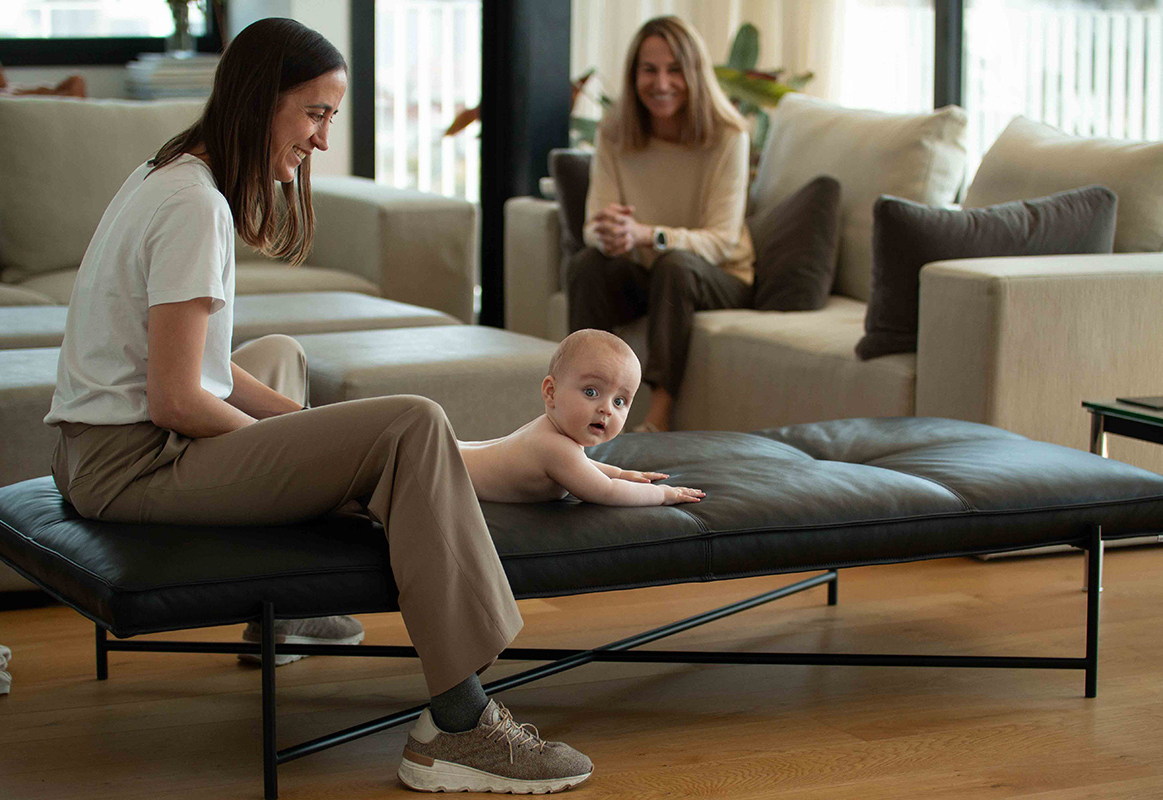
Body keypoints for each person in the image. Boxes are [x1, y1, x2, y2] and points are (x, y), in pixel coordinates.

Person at [43, 17, 591, 794]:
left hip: (94, 446)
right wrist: (315, 458)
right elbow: (175, 400)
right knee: (410, 424)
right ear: (259, 101)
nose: (323, 140)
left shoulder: (167, 172)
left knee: (280, 357)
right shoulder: (194, 207)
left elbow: (183, 364)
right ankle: (460, 724)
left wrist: (303, 441)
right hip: (129, 464)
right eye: (315, 113)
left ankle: (292, 614)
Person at [568, 15, 754, 433]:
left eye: (675, 70)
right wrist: (609, 233)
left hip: (717, 275)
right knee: (586, 264)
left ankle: (659, 414)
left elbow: (721, 241)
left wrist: (647, 234)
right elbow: (591, 226)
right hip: (647, 273)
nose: (662, 82)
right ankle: (573, 405)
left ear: (694, 74)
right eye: (649, 70)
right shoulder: (614, 133)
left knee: (676, 264)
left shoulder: (729, 136)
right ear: (634, 75)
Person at [460, 329, 704, 505]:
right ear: (551, 392)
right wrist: (663, 495)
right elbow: (606, 492)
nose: (607, 409)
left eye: (619, 401)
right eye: (591, 392)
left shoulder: (552, 436)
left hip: (456, 456)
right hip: (445, 472)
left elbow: (580, 464)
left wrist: (619, 472)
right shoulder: (552, 446)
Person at [0, 49, 86, 118]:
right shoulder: (65, 93)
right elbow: (77, 80)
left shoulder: (60, 103)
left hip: (10, 98)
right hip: (7, 90)